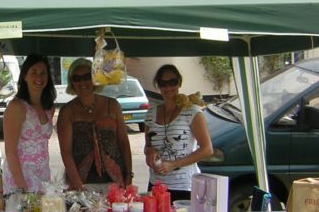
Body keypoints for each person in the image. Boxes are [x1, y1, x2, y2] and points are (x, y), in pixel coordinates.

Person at [57, 58, 132, 191]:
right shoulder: (67, 112)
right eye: (77, 78)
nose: (82, 82)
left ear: (94, 78)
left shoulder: (112, 105)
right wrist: (77, 184)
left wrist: (129, 174)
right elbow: (66, 152)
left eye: (87, 77)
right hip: (81, 181)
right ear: (71, 82)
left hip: (115, 179)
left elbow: (123, 143)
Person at [144, 64, 213, 201]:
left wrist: (174, 164)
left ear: (179, 83)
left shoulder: (192, 112)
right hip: (156, 185)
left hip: (183, 186)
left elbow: (207, 149)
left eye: (172, 82)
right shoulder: (151, 113)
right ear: (158, 86)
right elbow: (148, 146)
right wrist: (150, 153)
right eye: (163, 83)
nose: (168, 87)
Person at [1, 54, 57, 194]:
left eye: (43, 73)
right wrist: (22, 188)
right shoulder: (17, 107)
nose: (39, 78)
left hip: (42, 179)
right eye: (34, 73)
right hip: (20, 181)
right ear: (25, 76)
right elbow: (10, 152)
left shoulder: (49, 108)